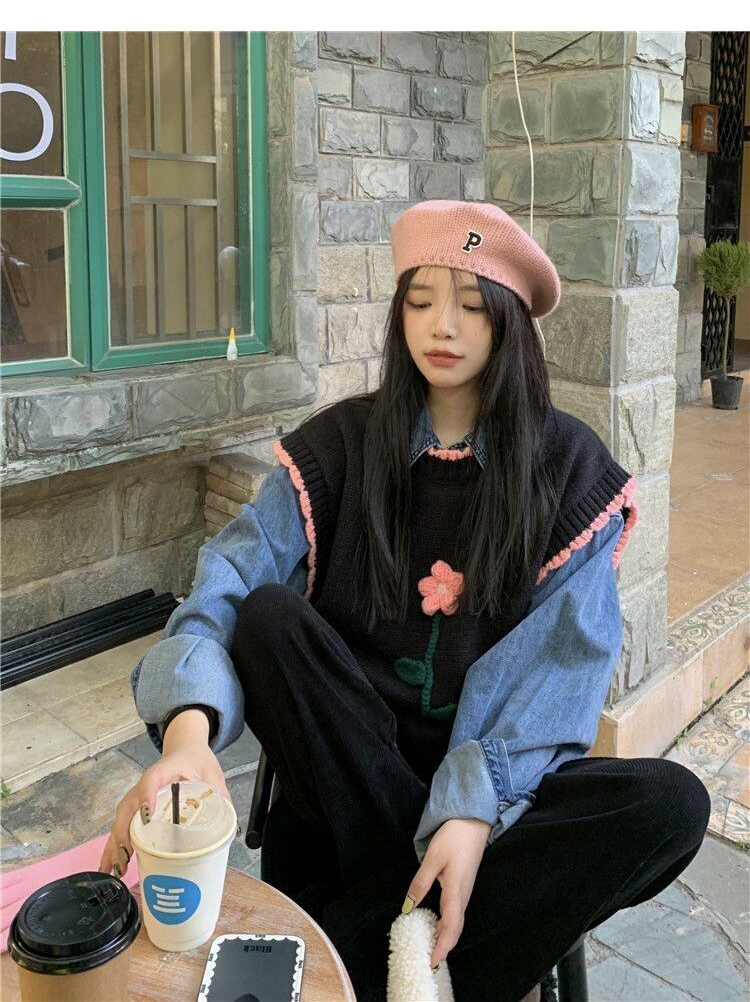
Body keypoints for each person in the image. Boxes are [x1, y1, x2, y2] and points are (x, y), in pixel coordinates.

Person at [101, 200, 711, 1002]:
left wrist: (469, 812)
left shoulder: (569, 471)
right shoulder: (336, 448)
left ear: (509, 321)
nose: (441, 326)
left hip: (492, 784)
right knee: (270, 619)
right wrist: (188, 737)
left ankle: (361, 943)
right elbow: (228, 578)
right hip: (344, 770)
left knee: (671, 805)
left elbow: (558, 671)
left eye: (471, 304)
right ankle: (426, 952)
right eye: (421, 301)